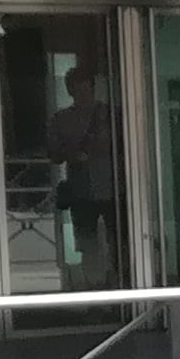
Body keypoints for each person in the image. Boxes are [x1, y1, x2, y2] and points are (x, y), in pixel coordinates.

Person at [43, 56, 119, 288]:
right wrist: (74, 153)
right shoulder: (63, 118)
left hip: (109, 187)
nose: (82, 93)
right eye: (78, 88)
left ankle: (113, 283)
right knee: (88, 243)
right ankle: (97, 285)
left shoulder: (110, 115)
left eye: (85, 88)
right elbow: (54, 153)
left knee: (115, 241)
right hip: (86, 189)